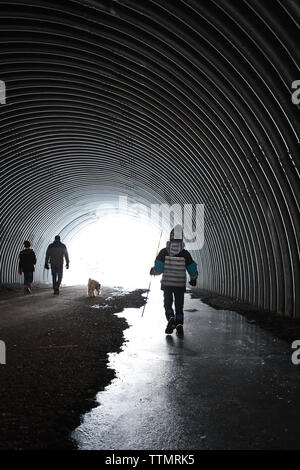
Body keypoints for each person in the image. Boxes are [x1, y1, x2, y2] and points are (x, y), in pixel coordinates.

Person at [149, 224, 198, 337]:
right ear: (181, 238)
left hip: (167, 284)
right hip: (180, 285)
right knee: (179, 305)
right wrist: (194, 278)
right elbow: (192, 268)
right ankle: (179, 324)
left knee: (167, 304)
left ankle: (171, 318)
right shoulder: (185, 254)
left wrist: (153, 271)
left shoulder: (163, 252)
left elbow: (159, 269)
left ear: (171, 237)